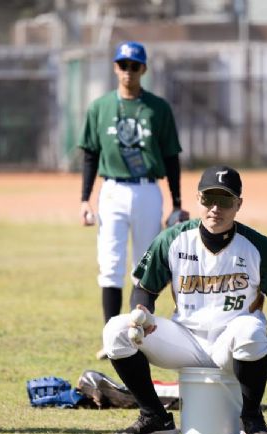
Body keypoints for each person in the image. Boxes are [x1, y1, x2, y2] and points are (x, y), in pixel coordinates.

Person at [102, 165, 267, 434]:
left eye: (224, 200)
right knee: (115, 330)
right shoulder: (173, 240)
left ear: (239, 204)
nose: (215, 208)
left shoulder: (262, 248)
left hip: (235, 344)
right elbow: (144, 289)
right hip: (185, 340)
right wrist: (141, 310)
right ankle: (155, 418)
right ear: (198, 199)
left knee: (251, 330)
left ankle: (251, 418)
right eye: (207, 199)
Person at [78, 41, 188, 359]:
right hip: (111, 189)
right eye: (123, 65)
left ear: (144, 69)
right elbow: (90, 154)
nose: (128, 71)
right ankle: (112, 336)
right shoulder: (100, 107)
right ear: (115, 67)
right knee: (110, 265)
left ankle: (138, 336)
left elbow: (171, 157)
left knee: (145, 266)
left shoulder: (158, 108)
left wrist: (177, 202)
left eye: (134, 65)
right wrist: (85, 199)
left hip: (147, 190)